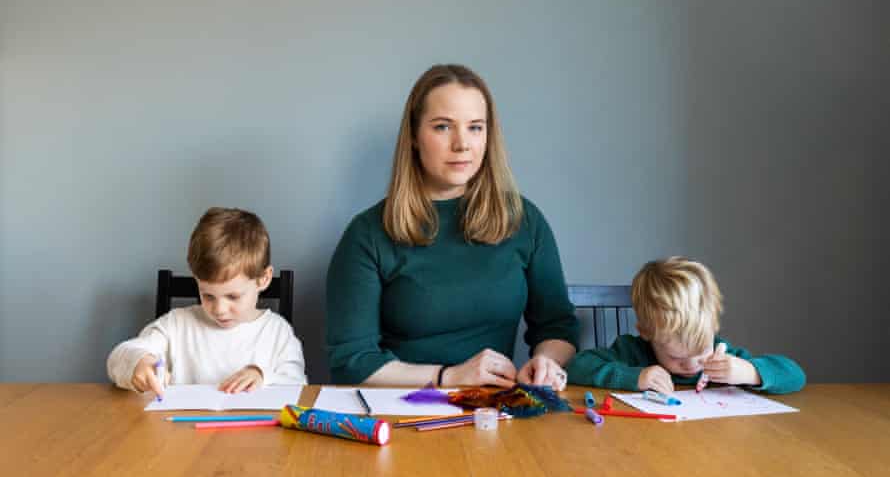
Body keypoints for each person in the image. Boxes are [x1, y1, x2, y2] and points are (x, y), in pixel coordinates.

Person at [326, 64, 579, 389]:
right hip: (400, 412)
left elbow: (558, 327)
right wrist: (448, 376)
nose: (462, 144)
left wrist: (546, 362)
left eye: (475, 127)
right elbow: (351, 363)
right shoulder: (367, 234)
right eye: (443, 127)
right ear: (415, 137)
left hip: (491, 411)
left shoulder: (524, 220)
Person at [107, 207, 306, 398]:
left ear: (264, 279)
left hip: (254, 432)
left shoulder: (278, 332)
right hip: (181, 431)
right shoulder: (177, 324)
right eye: (208, 295)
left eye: (233, 296)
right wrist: (139, 363)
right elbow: (119, 357)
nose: (219, 310)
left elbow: (298, 385)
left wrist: (262, 376)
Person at [566, 256, 806, 394]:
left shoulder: (723, 356)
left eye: (701, 352)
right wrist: (634, 377)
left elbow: (795, 375)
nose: (692, 365)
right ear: (646, 332)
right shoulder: (632, 351)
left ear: (713, 327)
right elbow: (576, 367)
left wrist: (750, 372)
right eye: (676, 357)